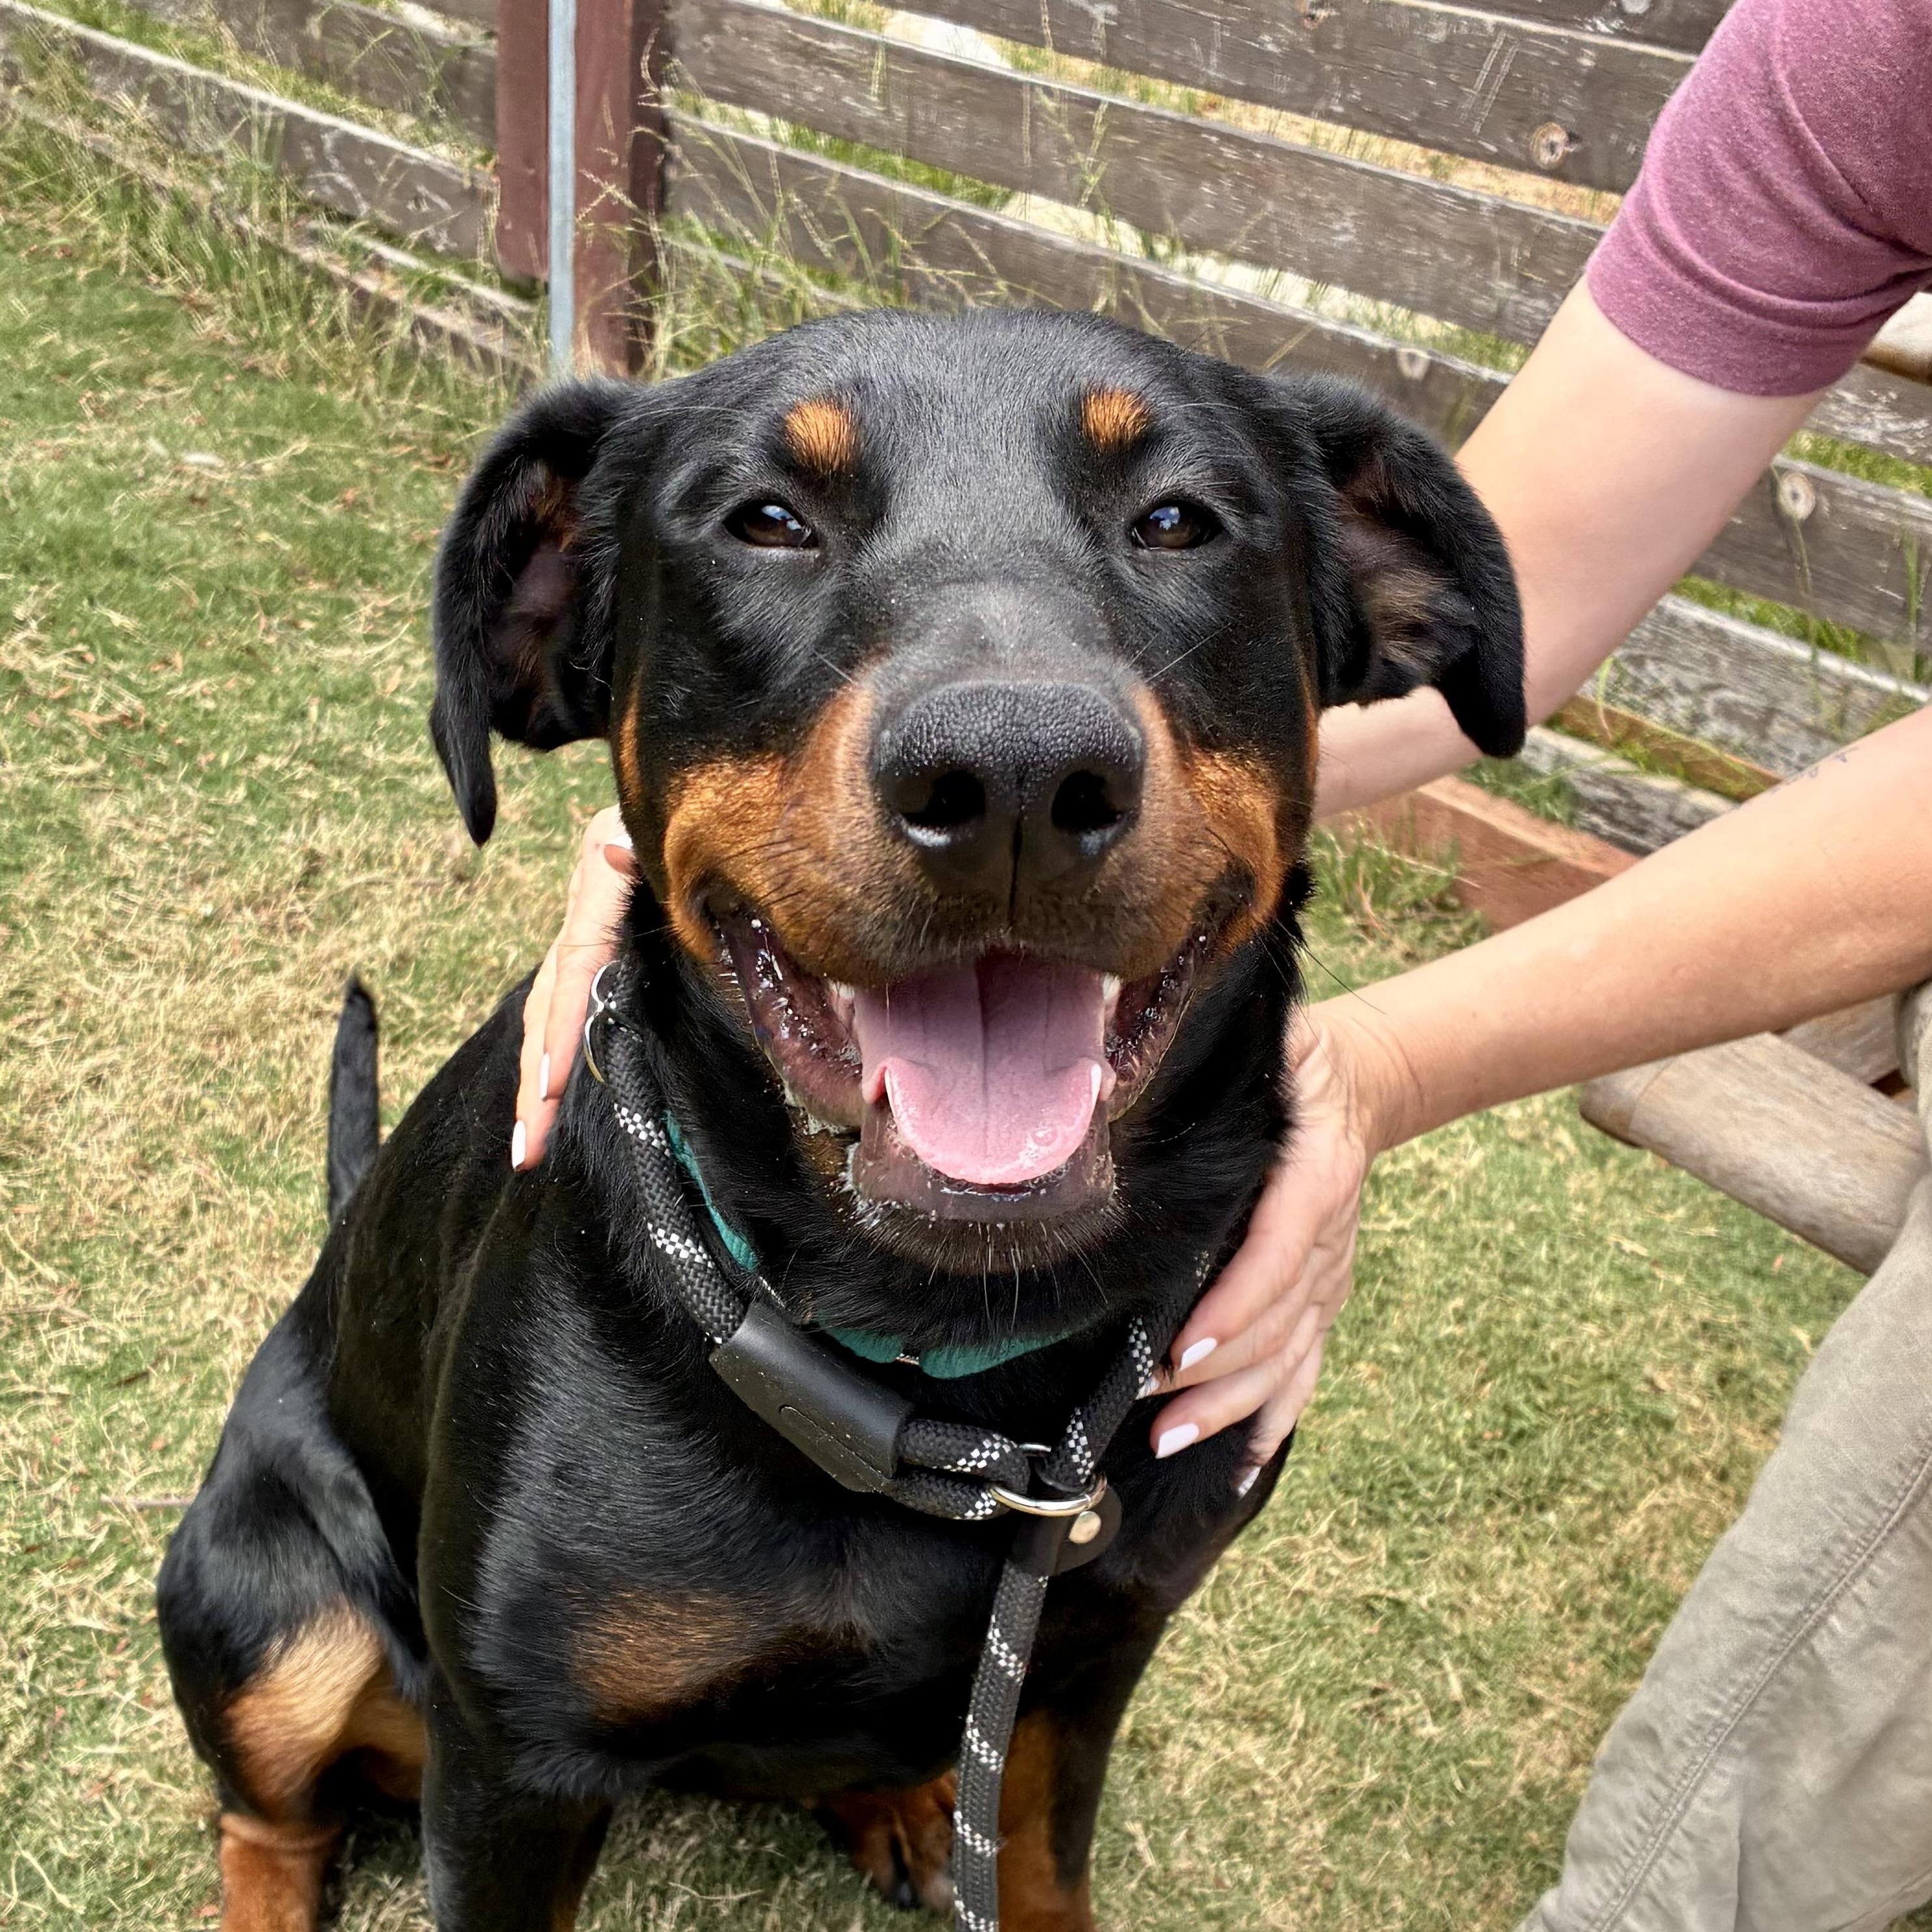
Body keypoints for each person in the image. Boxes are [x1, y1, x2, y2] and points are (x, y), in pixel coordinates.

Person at [507, 0, 1932, 1919]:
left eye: (1175, 520)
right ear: (557, 658)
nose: (1011, 741)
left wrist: (1382, 1064)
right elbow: (1567, 556)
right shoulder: (1859, 45)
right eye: (767, 521)